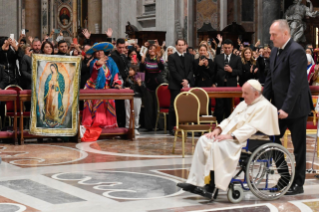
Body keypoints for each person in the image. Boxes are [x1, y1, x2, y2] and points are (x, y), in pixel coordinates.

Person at [177, 80, 280, 198]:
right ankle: (194, 182)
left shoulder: (264, 107)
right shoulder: (244, 104)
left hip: (244, 140)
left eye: (245, 93)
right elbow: (229, 119)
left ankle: (212, 188)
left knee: (217, 144)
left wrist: (231, 136)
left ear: (255, 94)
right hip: (229, 136)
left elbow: (252, 128)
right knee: (203, 140)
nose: (242, 96)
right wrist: (217, 130)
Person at [263, 19, 313, 195]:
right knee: (273, 141)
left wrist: (286, 108)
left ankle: (298, 184)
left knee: (299, 147)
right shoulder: (276, 50)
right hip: (279, 107)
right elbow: (270, 79)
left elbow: (296, 83)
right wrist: (261, 103)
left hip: (296, 107)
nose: (271, 38)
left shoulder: (296, 51)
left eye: (273, 34)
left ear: (285, 34)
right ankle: (285, 178)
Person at [81, 43, 122, 141]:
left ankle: (108, 128)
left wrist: (117, 82)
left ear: (104, 52)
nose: (99, 53)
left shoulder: (110, 61)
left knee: (108, 105)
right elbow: (94, 67)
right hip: (93, 87)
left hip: (106, 87)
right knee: (95, 107)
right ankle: (93, 126)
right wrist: (98, 64)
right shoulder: (93, 61)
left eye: (101, 51)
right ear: (94, 54)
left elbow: (115, 72)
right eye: (97, 51)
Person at [167, 39, 194, 135]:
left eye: (183, 45)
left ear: (185, 46)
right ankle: (172, 127)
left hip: (187, 85)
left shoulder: (189, 57)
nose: (181, 47)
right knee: (174, 106)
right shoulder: (172, 57)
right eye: (179, 45)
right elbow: (173, 71)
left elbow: (191, 70)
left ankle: (186, 127)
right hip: (175, 85)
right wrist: (182, 81)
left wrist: (187, 80)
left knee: (187, 107)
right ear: (176, 46)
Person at [213, 39, 242, 124]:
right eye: (225, 48)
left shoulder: (237, 58)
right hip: (220, 86)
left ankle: (228, 126)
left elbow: (240, 72)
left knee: (228, 106)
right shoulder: (218, 58)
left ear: (232, 47)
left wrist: (232, 71)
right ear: (223, 47)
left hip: (231, 86)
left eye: (229, 48)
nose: (227, 49)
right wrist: (213, 83)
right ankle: (218, 126)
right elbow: (214, 72)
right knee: (219, 107)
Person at [140, 45, 164, 131]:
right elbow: (141, 70)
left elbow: (162, 68)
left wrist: (158, 60)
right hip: (148, 84)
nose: (152, 51)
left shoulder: (159, 59)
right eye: (150, 49)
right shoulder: (145, 59)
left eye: (154, 49)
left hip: (158, 85)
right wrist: (142, 62)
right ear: (148, 51)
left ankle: (159, 126)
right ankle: (149, 126)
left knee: (158, 106)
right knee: (149, 106)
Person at [111, 38, 129, 128]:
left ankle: (123, 125)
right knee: (119, 106)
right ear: (116, 46)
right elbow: (116, 71)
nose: (121, 49)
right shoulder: (114, 56)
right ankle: (119, 125)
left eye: (123, 47)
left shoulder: (123, 56)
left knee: (123, 106)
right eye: (119, 47)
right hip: (117, 83)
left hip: (123, 82)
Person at [124, 65, 144, 135]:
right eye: (129, 70)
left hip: (137, 97)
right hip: (128, 96)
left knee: (136, 113)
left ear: (135, 71)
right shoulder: (127, 78)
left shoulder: (140, 77)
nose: (129, 71)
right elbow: (125, 86)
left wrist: (139, 84)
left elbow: (143, 90)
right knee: (128, 112)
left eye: (131, 70)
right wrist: (125, 88)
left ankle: (135, 127)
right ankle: (128, 127)